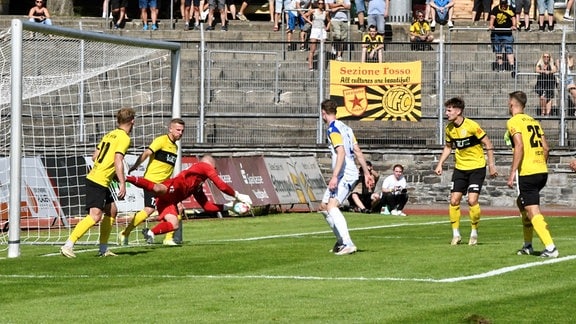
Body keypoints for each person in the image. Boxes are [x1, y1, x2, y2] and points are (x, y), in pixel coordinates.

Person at [60, 108, 136, 258]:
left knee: (112, 210)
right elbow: (117, 160)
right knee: (95, 216)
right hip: (99, 180)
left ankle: (103, 249)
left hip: (98, 177)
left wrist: (108, 171)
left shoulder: (109, 135)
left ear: (117, 120)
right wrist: (122, 182)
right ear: (132, 121)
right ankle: (68, 245)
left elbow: (95, 157)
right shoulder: (124, 138)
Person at [126, 155, 253, 243]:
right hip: (174, 186)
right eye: (214, 169)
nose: (214, 171)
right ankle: (127, 178)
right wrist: (237, 195)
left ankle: (150, 233)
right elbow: (221, 185)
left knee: (174, 224)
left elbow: (207, 206)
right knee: (157, 188)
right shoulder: (204, 166)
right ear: (212, 167)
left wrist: (230, 206)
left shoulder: (198, 185)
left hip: (168, 201)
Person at [434, 97, 498, 246]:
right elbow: (449, 147)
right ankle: (456, 235)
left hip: (477, 168)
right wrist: (440, 164)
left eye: (449, 110)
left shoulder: (471, 126)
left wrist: (491, 165)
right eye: (446, 110)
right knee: (454, 200)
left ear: (458, 111)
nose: (446, 113)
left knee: (472, 200)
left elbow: (488, 143)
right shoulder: (449, 129)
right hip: (460, 169)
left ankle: (474, 232)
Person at [505, 91, 558, 258]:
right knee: (522, 204)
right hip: (541, 170)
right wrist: (541, 164)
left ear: (512, 105)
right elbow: (546, 148)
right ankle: (527, 245)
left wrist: (513, 172)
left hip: (528, 172)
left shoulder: (513, 121)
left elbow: (519, 146)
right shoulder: (533, 121)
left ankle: (550, 247)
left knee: (532, 210)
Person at [319, 99, 374, 255]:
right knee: (323, 207)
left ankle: (348, 243)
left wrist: (335, 177)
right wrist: (367, 173)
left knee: (332, 206)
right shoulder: (347, 128)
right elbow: (357, 151)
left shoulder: (333, 129)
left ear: (323, 113)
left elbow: (341, 152)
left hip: (346, 173)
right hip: (348, 171)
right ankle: (341, 241)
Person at [120, 118, 186, 246]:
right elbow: (147, 153)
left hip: (164, 186)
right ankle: (125, 233)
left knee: (178, 208)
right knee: (149, 209)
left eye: (182, 131)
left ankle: (168, 238)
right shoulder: (161, 141)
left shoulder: (175, 147)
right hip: (152, 182)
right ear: (170, 129)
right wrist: (135, 166)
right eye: (178, 130)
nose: (180, 133)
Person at [489, 0, 517, 76]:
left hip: (507, 34)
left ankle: (512, 66)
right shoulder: (496, 9)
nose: (503, 6)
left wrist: (514, 25)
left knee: (509, 49)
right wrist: (491, 25)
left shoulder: (510, 8)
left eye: (505, 4)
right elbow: (492, 18)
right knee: (498, 50)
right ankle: (500, 66)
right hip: (497, 33)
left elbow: (513, 18)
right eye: (502, 4)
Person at [303, 0, 330, 71]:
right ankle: (310, 66)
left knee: (322, 49)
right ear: (317, 4)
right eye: (319, 3)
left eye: (322, 3)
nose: (321, 5)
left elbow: (329, 20)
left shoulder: (325, 12)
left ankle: (322, 66)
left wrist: (327, 27)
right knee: (312, 49)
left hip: (322, 30)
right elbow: (304, 15)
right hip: (315, 29)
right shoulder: (313, 11)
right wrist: (311, 22)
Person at [534, 52, 557, 117]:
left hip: (550, 82)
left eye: (547, 57)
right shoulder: (540, 63)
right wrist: (543, 71)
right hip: (541, 82)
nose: (546, 58)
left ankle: (548, 113)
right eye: (544, 56)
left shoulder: (552, 63)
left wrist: (549, 72)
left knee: (549, 98)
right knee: (542, 97)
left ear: (549, 58)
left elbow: (555, 70)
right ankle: (543, 112)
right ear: (542, 57)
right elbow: (536, 70)